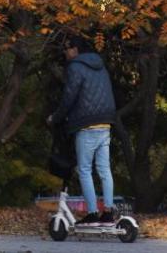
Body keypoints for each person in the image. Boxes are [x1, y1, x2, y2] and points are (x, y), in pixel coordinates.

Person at [47, 34, 117, 225]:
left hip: (86, 124)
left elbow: (69, 97)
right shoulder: (100, 66)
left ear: (75, 50)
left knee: (84, 169)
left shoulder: (75, 67)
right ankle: (109, 213)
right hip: (105, 122)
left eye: (67, 49)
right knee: (104, 169)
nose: (65, 53)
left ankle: (93, 213)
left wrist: (56, 118)